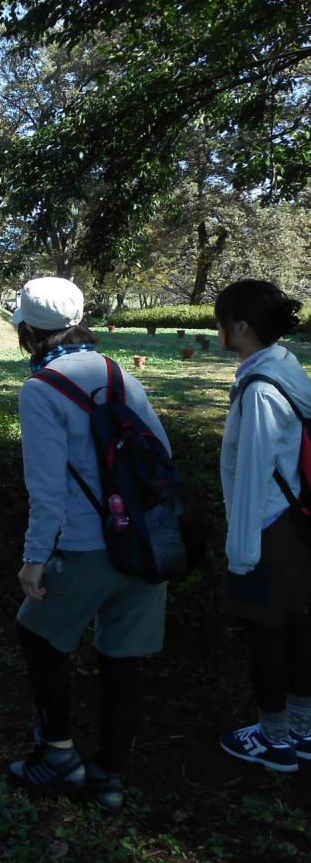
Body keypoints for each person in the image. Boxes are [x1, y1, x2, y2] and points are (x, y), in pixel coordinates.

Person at [7, 277, 171, 812]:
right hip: (145, 544)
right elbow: (160, 455)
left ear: (28, 328)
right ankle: (110, 775)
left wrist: (34, 558)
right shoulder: (119, 374)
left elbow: (47, 489)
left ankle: (58, 753)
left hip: (85, 545)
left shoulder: (41, 389)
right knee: (123, 658)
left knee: (38, 635)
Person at [215, 279, 311, 772]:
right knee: (293, 626)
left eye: (221, 321)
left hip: (266, 527)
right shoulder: (286, 368)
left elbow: (250, 475)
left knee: (265, 634)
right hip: (293, 525)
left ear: (241, 327)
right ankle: (302, 728)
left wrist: (242, 552)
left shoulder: (259, 391)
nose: (217, 330)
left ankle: (274, 741)